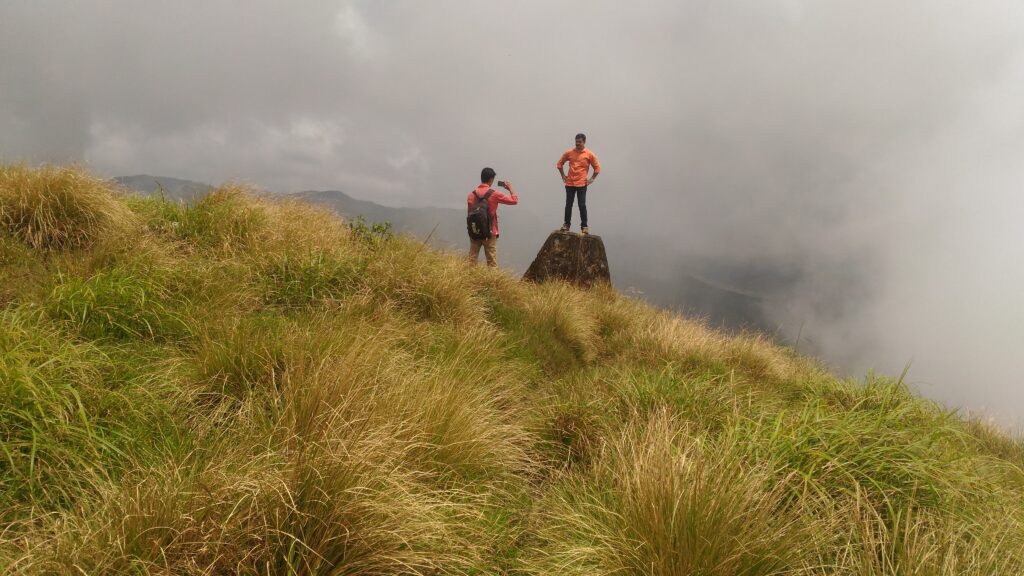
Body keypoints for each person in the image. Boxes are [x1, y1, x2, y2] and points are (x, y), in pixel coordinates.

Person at [467, 167, 518, 267]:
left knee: (471, 261)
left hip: (474, 231)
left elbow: (469, 214)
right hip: (490, 232)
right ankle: (492, 282)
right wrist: (510, 188)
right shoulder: (494, 194)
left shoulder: (471, 195)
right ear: (491, 179)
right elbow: (514, 200)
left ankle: (468, 280)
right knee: (492, 263)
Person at [556, 133, 601, 235]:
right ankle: (566, 225)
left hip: (582, 183)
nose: (577, 143)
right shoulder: (569, 152)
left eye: (580, 142)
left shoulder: (589, 154)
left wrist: (592, 179)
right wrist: (563, 175)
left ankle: (584, 227)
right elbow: (559, 164)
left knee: (582, 205)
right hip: (570, 183)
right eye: (576, 141)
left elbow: (597, 168)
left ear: (584, 142)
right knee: (568, 205)